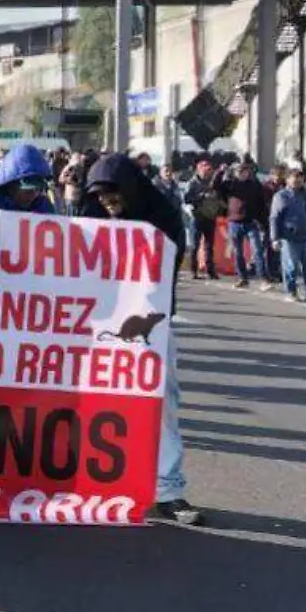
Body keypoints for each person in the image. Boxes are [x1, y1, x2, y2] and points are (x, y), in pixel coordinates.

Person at [80, 154, 201, 526]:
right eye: (100, 197)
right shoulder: (92, 214)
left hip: (151, 324)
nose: (107, 203)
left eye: (113, 195)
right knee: (94, 401)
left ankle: (168, 489)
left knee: (162, 402)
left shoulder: (162, 215)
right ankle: (95, 481)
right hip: (102, 321)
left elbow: (163, 264)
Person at [215, 161, 270, 289]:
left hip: (251, 222)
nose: (242, 174)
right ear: (235, 173)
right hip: (234, 222)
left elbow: (262, 203)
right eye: (239, 171)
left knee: (257, 251)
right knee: (238, 252)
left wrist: (262, 221)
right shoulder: (231, 185)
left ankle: (264, 278)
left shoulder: (255, 185)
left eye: (244, 171)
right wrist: (221, 172)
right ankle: (242, 278)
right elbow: (216, 186)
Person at [269, 168, 306, 303]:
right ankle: (291, 291)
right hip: (289, 237)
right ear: (288, 179)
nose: (298, 180)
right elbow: (274, 218)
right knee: (291, 266)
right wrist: (275, 238)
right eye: (295, 177)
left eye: (300, 177)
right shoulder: (281, 196)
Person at [0, 143, 54, 213]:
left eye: (38, 190)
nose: (33, 195)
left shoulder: (43, 206)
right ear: (11, 184)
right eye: (28, 190)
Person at [180, 159, 225, 281]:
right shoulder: (192, 183)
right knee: (194, 245)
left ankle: (211, 271)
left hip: (210, 216)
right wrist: (202, 196)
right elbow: (187, 199)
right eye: (205, 170)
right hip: (197, 217)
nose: (207, 173)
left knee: (209, 246)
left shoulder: (212, 182)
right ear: (198, 170)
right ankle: (193, 270)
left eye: (209, 170)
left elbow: (220, 187)